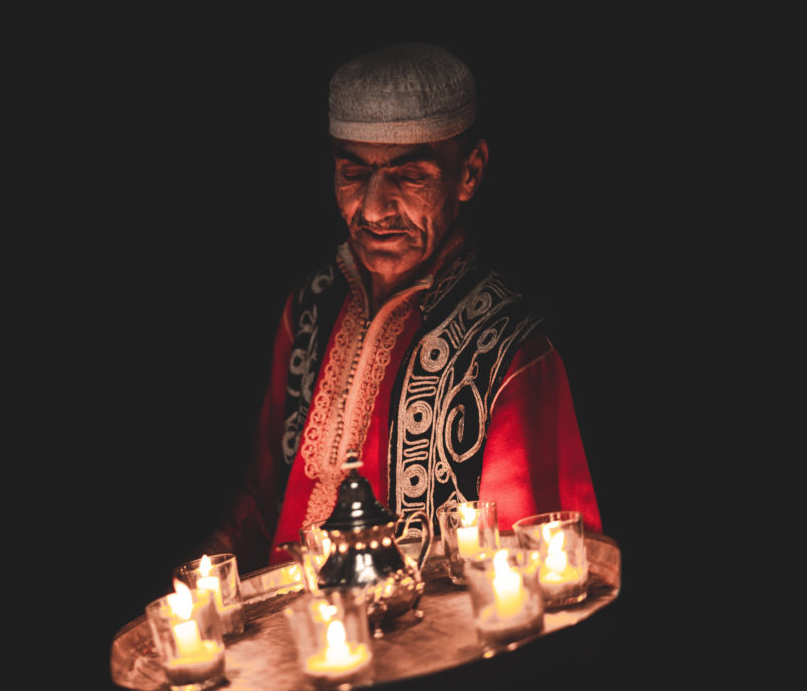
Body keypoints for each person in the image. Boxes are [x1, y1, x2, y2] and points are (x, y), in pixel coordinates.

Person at [203, 43, 601, 574]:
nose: (372, 208)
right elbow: (259, 500)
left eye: (409, 176)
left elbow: (536, 570)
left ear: (471, 172)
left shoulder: (507, 348)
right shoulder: (310, 310)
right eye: (353, 173)